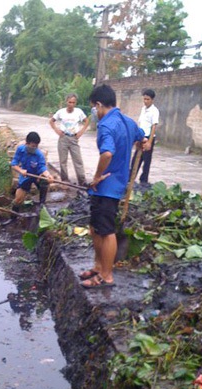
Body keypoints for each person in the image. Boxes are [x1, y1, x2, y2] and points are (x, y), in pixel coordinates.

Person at [81, 84, 145, 289]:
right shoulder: (128, 121)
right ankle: (99, 266)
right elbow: (142, 136)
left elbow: (107, 153)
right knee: (95, 228)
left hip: (108, 186)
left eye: (93, 107)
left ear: (99, 105)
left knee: (106, 231)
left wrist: (97, 176)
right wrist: (143, 142)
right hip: (113, 185)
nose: (94, 112)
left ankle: (106, 276)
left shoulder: (107, 125)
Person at [2, 132, 54, 225]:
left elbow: (42, 167)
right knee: (18, 199)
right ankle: (13, 218)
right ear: (27, 143)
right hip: (26, 175)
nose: (35, 148)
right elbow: (14, 163)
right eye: (33, 146)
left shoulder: (39, 154)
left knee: (44, 182)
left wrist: (48, 175)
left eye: (36, 146)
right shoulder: (20, 149)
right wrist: (20, 170)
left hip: (37, 176)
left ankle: (42, 204)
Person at [49, 93, 90, 186]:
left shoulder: (79, 112)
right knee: (63, 161)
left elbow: (87, 121)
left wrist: (81, 131)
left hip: (74, 138)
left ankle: (82, 181)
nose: (71, 104)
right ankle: (65, 180)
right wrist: (57, 130)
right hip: (63, 138)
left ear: (75, 103)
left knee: (78, 160)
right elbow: (51, 121)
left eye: (73, 102)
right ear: (66, 102)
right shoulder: (61, 112)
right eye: (69, 102)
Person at [131, 89, 160, 185]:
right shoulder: (143, 109)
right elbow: (140, 124)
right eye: (144, 99)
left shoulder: (154, 111)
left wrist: (149, 142)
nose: (145, 101)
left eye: (147, 99)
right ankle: (131, 179)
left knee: (146, 161)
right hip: (141, 136)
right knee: (136, 159)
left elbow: (154, 127)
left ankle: (144, 181)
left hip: (148, 137)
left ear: (152, 100)